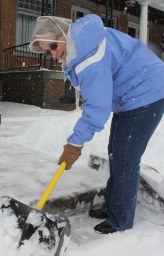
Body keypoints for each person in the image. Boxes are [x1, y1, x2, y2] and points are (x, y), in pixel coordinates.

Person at [29, 14, 164, 234]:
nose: (53, 54)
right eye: (48, 51)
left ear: (63, 35)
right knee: (116, 152)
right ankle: (113, 205)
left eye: (53, 46)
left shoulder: (88, 57)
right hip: (129, 96)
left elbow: (97, 108)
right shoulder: (82, 43)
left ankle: (120, 219)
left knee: (125, 157)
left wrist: (75, 144)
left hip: (147, 93)